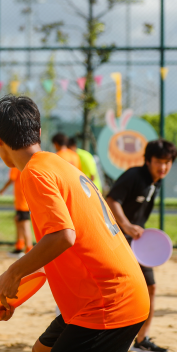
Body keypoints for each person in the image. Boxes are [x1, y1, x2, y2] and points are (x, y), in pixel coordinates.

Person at [0, 95, 149, 352]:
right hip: (104, 296)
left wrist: (13, 273)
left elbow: (63, 235)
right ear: (39, 132)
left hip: (109, 302)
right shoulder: (56, 163)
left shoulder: (34, 172)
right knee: (41, 349)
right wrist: (14, 280)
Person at [106, 139, 176, 352]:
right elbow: (111, 200)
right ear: (147, 160)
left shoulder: (156, 181)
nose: (163, 167)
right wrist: (126, 225)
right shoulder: (134, 176)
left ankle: (141, 340)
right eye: (158, 161)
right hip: (116, 239)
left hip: (136, 243)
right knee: (117, 291)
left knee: (150, 287)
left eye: (167, 162)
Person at [0, 167, 32, 257]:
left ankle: (29, 249)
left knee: (25, 225)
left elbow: (11, 179)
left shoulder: (15, 165)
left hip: (23, 202)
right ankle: (19, 247)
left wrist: (2, 189)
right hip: (23, 201)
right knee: (17, 220)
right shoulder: (23, 164)